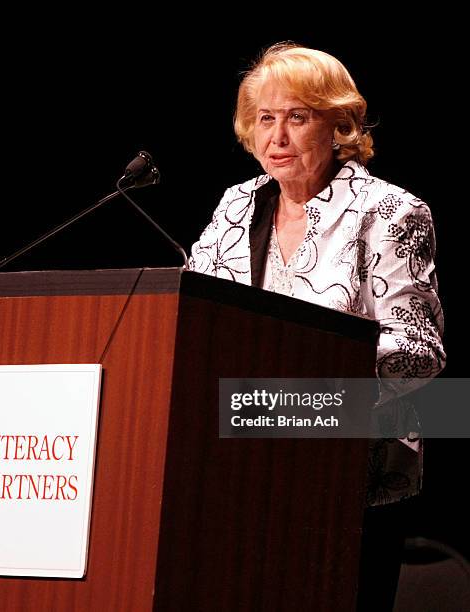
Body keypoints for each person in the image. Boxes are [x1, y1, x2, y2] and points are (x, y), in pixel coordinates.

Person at [188, 42, 446, 610]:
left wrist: (293, 394)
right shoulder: (235, 207)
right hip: (234, 473)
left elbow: (417, 353)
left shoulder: (391, 211)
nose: (276, 137)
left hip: (348, 479)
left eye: (297, 117)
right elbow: (189, 319)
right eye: (265, 118)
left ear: (340, 126)